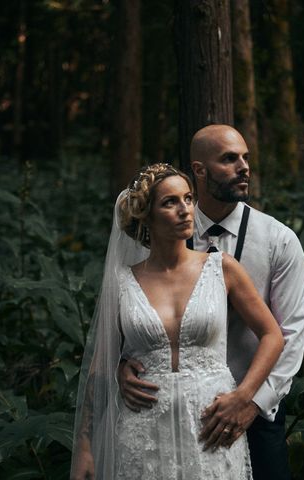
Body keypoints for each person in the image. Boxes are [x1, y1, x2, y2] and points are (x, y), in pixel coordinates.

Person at [70, 163, 284, 479]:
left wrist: (244, 395)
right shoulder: (123, 281)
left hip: (210, 427)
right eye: (170, 202)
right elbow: (101, 365)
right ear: (147, 215)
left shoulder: (221, 268)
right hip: (143, 432)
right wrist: (85, 448)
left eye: (187, 199)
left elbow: (272, 335)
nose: (185, 210)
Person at [119, 126, 304, 479]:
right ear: (200, 170)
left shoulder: (278, 241)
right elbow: (137, 311)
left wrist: (250, 403)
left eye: (246, 158)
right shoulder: (162, 230)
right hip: (173, 412)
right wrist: (123, 364)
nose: (244, 167)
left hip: (259, 407)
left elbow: (290, 336)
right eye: (229, 159)